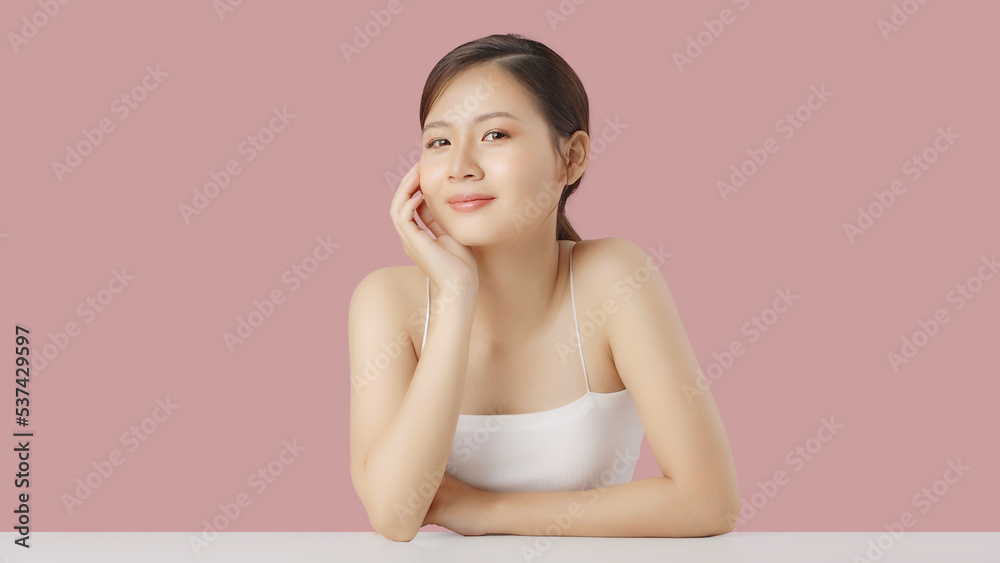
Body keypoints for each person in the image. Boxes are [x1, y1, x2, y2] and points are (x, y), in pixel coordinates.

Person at [349, 33, 739, 542]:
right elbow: (395, 515)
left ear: (571, 158)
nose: (461, 166)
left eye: (495, 135)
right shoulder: (386, 302)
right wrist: (453, 296)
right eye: (439, 141)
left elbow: (708, 503)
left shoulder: (612, 279)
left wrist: (482, 512)